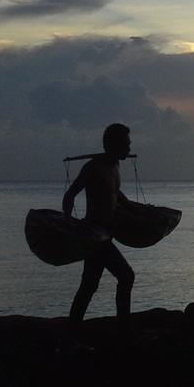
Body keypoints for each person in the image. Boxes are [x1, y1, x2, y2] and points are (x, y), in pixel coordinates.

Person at [63, 123, 136, 336]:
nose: (130, 146)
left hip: (106, 234)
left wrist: (138, 210)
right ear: (115, 144)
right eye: (126, 143)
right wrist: (69, 221)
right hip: (95, 236)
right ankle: (124, 330)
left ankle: (72, 331)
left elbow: (115, 195)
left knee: (89, 285)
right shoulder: (93, 167)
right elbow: (70, 195)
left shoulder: (115, 166)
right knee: (126, 276)